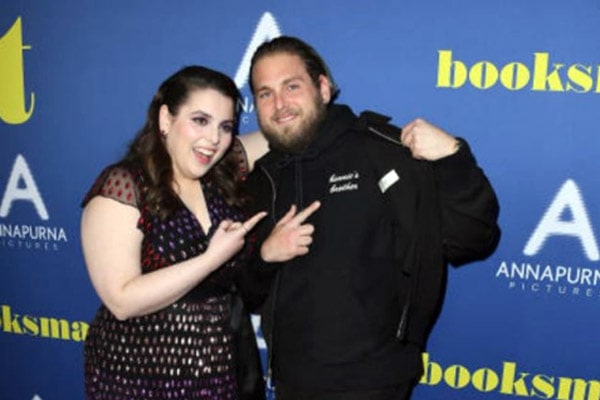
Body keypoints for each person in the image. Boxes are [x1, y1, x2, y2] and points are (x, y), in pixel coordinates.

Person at [239, 36, 501, 400]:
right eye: (265, 93)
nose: (279, 103)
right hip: (290, 382)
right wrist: (265, 257)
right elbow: (247, 293)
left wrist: (454, 158)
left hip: (373, 383)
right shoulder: (261, 180)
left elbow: (473, 239)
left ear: (324, 88)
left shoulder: (384, 152)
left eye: (292, 86)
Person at [80, 65, 268, 400]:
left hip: (217, 371)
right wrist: (210, 260)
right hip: (137, 376)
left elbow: (282, 130)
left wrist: (379, 129)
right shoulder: (125, 185)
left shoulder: (223, 170)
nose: (214, 139)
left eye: (225, 126)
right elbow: (121, 300)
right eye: (200, 120)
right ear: (165, 119)